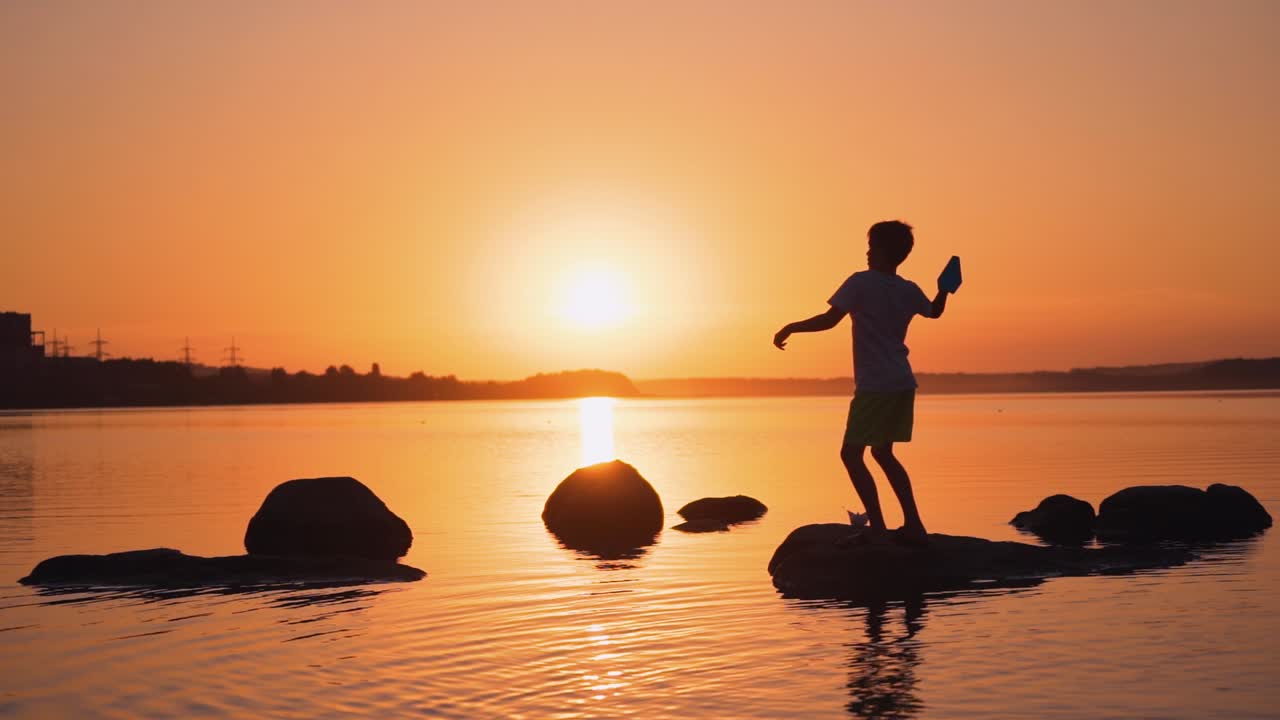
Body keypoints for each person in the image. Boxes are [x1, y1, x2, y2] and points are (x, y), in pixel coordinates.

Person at [773, 220, 951, 545]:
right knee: (883, 453)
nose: (867, 253)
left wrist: (790, 327)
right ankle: (913, 524)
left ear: (883, 250)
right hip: (901, 382)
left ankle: (879, 530)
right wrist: (945, 288)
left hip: (875, 386)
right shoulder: (908, 289)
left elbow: (829, 320)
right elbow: (935, 311)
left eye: (871, 247)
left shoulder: (860, 283)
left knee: (851, 455)